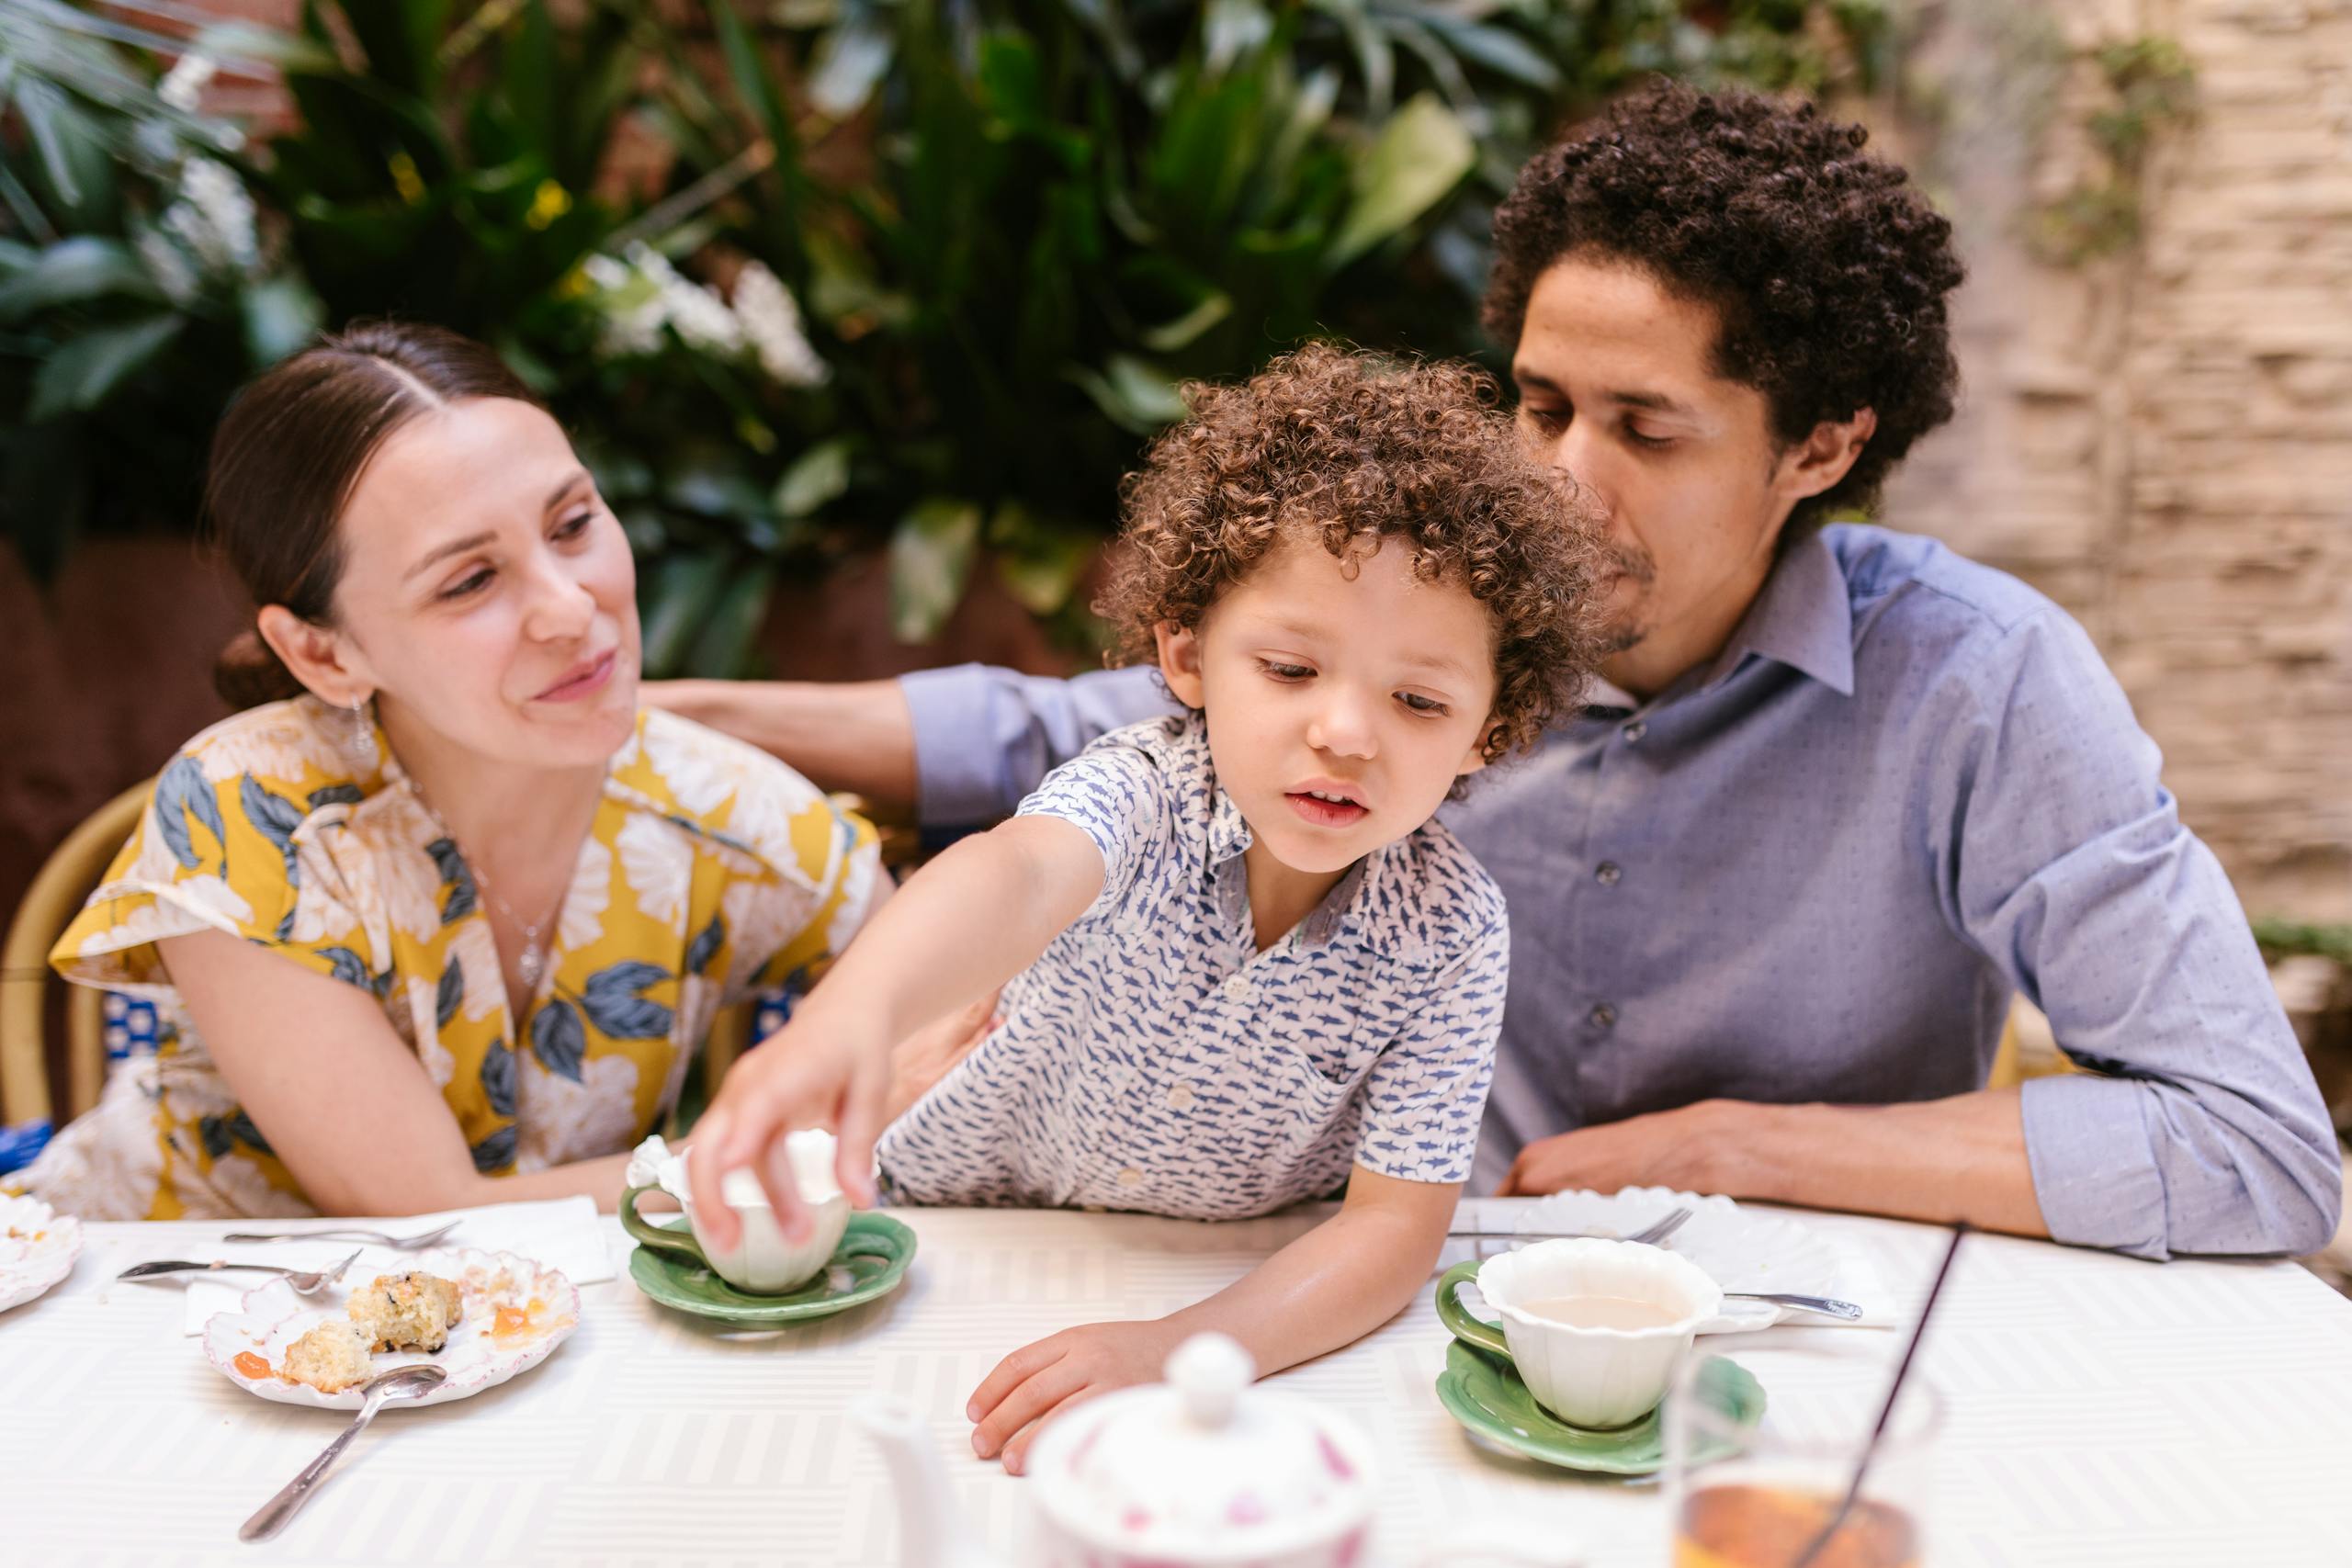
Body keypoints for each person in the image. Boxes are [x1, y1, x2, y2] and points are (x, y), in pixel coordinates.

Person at [655, 83, 2341, 1262]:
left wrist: (1732, 1144)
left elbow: (2257, 1149)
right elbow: (1060, 740)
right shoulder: (1418, 650)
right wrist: (657, 711)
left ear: (1821, 444)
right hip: (1387, 1310)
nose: (1553, 481)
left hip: (1774, 1345)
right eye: (1539, 406)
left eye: (1644, 429)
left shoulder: (1982, 683)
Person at [689, 345, 1606, 1471]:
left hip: (1225, 1280)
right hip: (953, 1230)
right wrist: (848, 1024)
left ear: (1492, 729)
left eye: (1419, 699)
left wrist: (1182, 1347)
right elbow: (1014, 874)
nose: (1348, 733)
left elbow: (1392, 1229)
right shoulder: (1142, 790)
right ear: (1185, 654)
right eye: (1287, 670)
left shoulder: (1455, 932)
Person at [11, 322, 882, 1221]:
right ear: (322, 652)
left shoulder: (719, 806)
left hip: (541, 1338)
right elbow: (427, 1212)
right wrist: (774, 1148)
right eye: (469, 582)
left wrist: (898, 1061)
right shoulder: (250, 813)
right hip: (136, 1314)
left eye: (574, 523)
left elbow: (952, 1011)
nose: (569, 607)